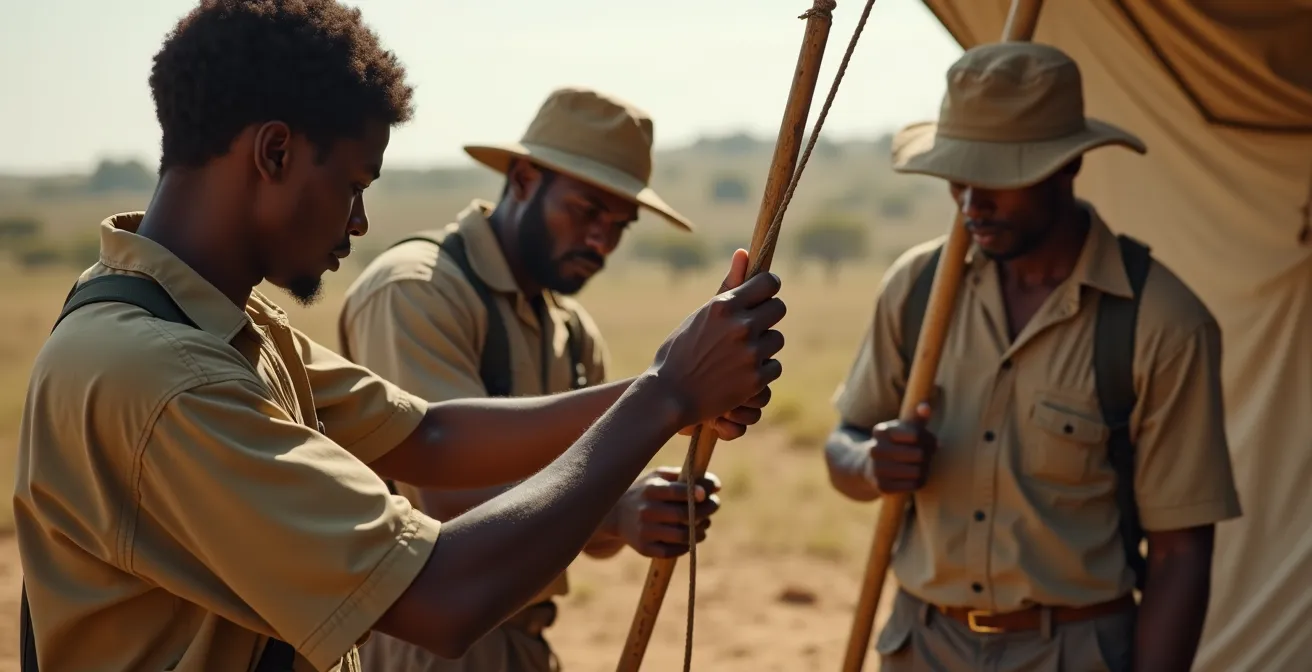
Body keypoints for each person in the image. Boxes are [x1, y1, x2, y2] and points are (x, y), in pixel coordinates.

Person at [11, 2, 786, 671]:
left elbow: (434, 435)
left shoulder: (207, 325)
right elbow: (442, 596)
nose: (360, 222)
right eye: (353, 185)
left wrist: (679, 380)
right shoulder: (166, 376)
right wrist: (665, 395)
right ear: (274, 152)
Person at [823, 42, 1240, 672]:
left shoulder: (1162, 323)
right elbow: (844, 441)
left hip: (1076, 650)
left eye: (998, 179)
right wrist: (870, 462)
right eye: (959, 178)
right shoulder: (917, 290)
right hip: (922, 643)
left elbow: (1182, 554)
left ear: (1066, 167)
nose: (972, 202)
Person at [338, 86, 712, 672]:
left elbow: (577, 522)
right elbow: (443, 495)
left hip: (523, 638)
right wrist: (613, 509)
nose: (600, 241)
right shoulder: (416, 289)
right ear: (522, 179)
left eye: (619, 225)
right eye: (587, 211)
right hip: (418, 640)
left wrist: (640, 510)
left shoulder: (573, 331)